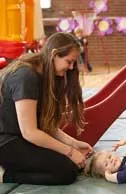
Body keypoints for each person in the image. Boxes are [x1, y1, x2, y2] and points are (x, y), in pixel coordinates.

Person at [0, 32, 93, 185]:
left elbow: (45, 124)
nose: (71, 68)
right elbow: (30, 133)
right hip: (6, 142)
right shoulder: (26, 76)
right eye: (69, 61)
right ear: (54, 54)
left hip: (18, 137)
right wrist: (69, 152)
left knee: (72, 165)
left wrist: (73, 143)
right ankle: (6, 175)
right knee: (65, 171)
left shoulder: (44, 75)